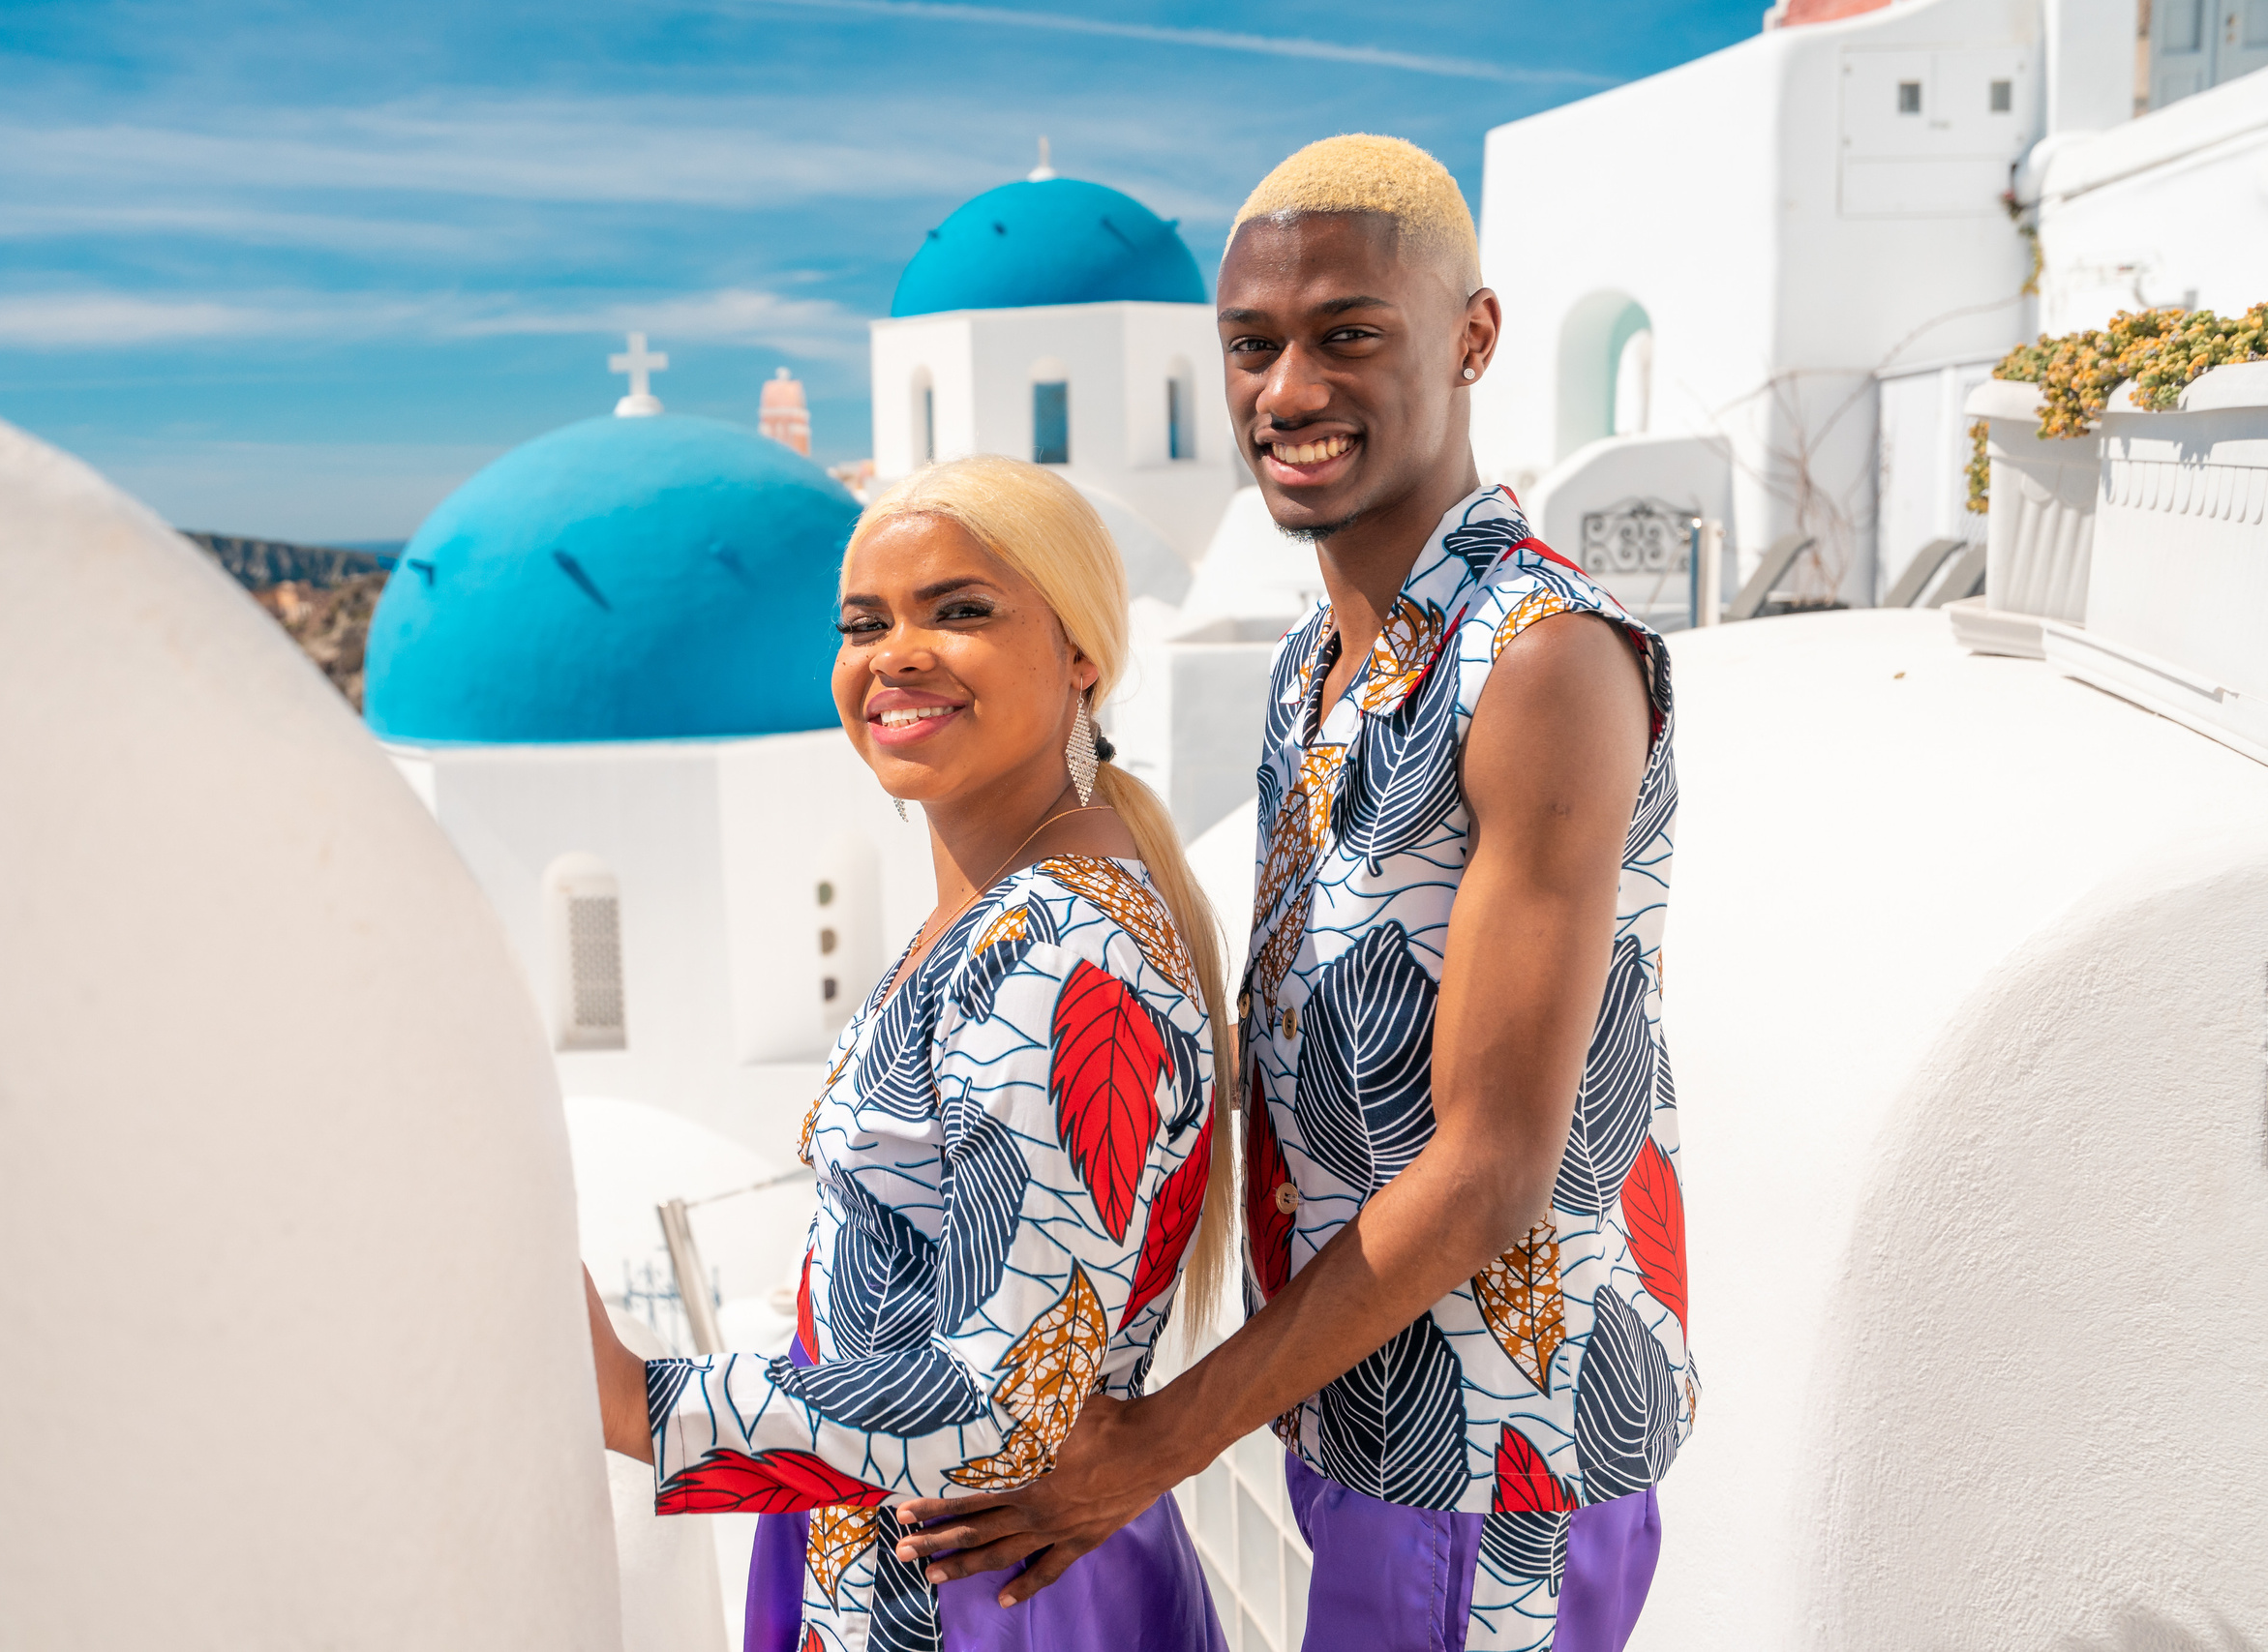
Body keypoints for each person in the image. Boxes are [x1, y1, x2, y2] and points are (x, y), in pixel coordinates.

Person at [892, 135, 1690, 1652]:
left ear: (1472, 337)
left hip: (1490, 1451)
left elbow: (1493, 1166)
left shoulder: (1537, 660)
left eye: (1349, 335)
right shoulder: (1317, 665)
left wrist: (1156, 1441)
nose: (1287, 391)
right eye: (1252, 347)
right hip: (1364, 1428)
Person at [586, 453, 1238, 1652]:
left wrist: (639, 1404)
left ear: (1081, 656)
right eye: (863, 622)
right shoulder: (1008, 905)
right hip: (932, 1569)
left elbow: (1009, 1401)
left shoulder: (1054, 949)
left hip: (984, 1599)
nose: (895, 654)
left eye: (962, 611)